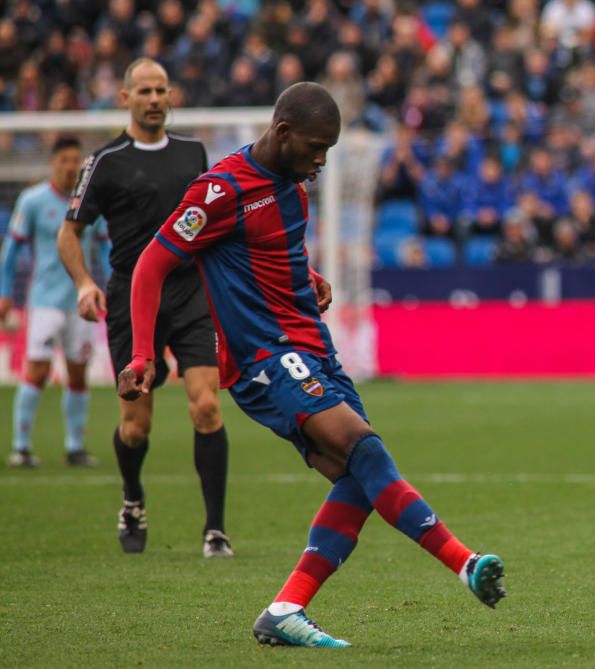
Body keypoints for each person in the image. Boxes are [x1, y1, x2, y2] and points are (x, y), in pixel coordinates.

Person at [117, 82, 506, 648]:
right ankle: (464, 563)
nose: (322, 160)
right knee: (366, 450)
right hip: (266, 358)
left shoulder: (294, 189)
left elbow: (276, 255)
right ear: (283, 133)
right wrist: (143, 353)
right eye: (316, 147)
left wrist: (311, 281)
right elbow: (151, 264)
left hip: (315, 351)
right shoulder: (220, 190)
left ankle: (286, 609)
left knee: (360, 477)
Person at [57, 58, 232, 558]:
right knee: (137, 425)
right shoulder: (105, 162)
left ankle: (215, 529)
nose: (155, 99)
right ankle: (132, 498)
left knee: (206, 406)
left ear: (170, 95)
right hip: (133, 298)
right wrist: (85, 283)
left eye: (161, 90)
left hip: (191, 292)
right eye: (145, 91)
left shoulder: (194, 153)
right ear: (125, 98)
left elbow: (217, 224)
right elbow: (70, 233)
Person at [0, 136, 108, 468]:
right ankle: (21, 446)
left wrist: (114, 284)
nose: (71, 166)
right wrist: (4, 293)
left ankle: (75, 447)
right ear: (54, 163)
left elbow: (104, 248)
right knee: (37, 370)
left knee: (78, 373)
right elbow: (12, 250)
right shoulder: (33, 201)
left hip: (81, 300)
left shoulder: (90, 202)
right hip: (44, 299)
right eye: (65, 160)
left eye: (76, 160)